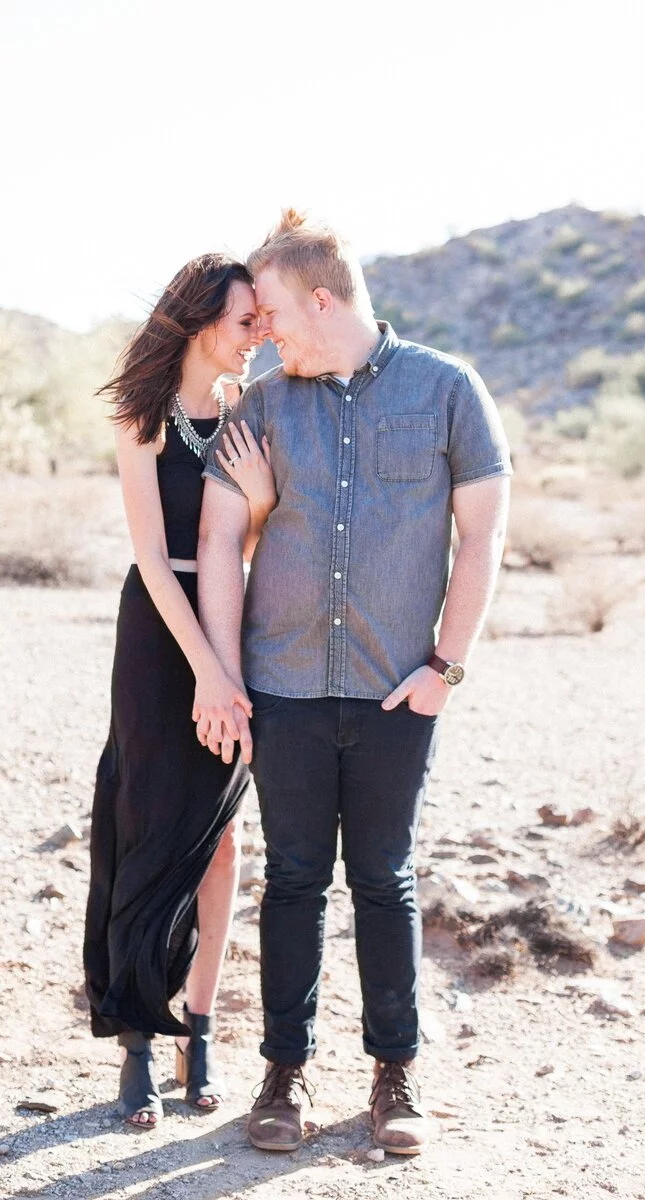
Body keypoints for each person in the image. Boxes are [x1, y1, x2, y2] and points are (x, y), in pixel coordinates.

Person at [196, 210, 511, 1156]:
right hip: (283, 687)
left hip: (395, 691)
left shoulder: (449, 389)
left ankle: (394, 1073)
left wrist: (444, 668)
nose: (265, 333)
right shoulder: (261, 405)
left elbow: (484, 536)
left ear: (322, 299)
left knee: (383, 878)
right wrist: (224, 669)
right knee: (292, 881)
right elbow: (218, 541)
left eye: (276, 314)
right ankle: (282, 1075)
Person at [83, 254, 276, 1129]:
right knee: (147, 830)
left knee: (221, 841)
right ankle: (137, 1041)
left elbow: (254, 536)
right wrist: (205, 667)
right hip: (162, 639)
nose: (258, 336)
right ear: (202, 325)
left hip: (236, 623)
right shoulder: (143, 417)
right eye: (245, 323)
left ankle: (199, 1027)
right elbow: (155, 562)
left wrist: (263, 500)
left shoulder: (250, 415)